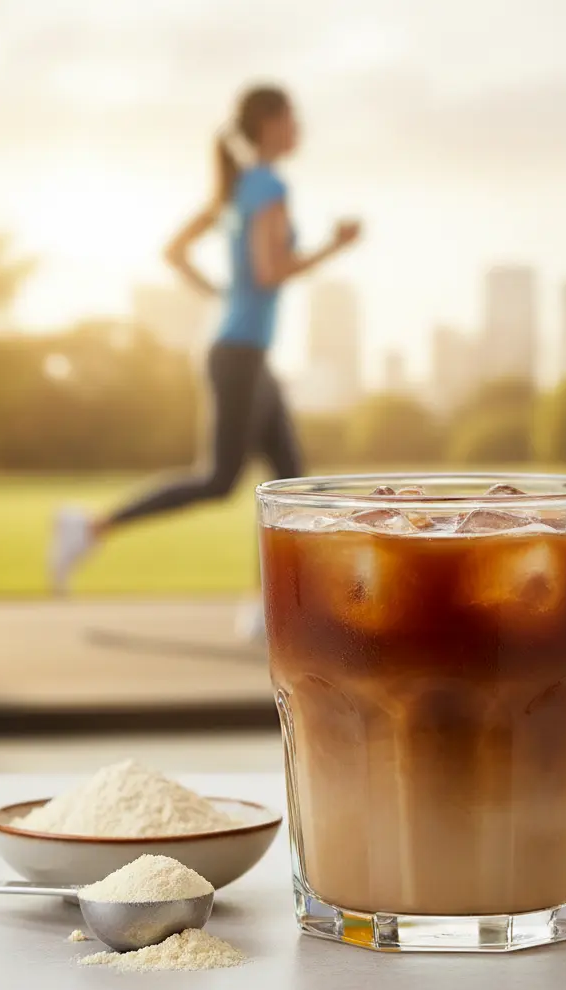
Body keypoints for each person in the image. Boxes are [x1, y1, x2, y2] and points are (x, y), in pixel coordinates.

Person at [49, 84, 361, 605]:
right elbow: (269, 271)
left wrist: (219, 293)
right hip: (239, 355)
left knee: (290, 482)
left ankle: (272, 604)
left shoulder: (237, 190)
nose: (299, 127)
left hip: (244, 354)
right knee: (224, 481)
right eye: (293, 117)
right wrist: (335, 245)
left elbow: (175, 252)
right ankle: (90, 528)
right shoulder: (267, 186)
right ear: (269, 123)